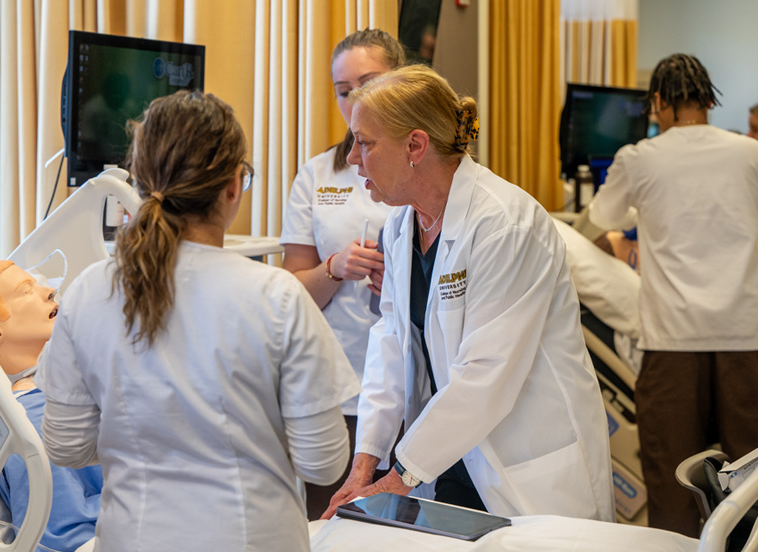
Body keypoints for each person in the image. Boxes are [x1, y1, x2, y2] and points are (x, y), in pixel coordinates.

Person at [35, 90, 360, 552]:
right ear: (232, 186)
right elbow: (323, 463)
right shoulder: (276, 296)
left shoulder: (88, 291)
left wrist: (144, 443)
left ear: (142, 181)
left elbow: (65, 446)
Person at [322, 64, 615, 522]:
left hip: (521, 466)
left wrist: (395, 478)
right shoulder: (401, 226)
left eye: (364, 142)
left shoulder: (506, 223)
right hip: (444, 461)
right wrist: (365, 465)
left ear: (415, 146)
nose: (353, 159)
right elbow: (392, 343)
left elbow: (486, 376)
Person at [588, 53, 758, 537]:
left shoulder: (639, 157)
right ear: (708, 99)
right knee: (753, 472)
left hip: (671, 342)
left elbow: (604, 218)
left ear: (658, 101)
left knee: (674, 478)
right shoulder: (750, 153)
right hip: (746, 339)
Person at [279, 28, 404, 519]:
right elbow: (292, 291)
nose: (355, 98)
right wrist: (334, 268)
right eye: (343, 89)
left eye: (368, 82)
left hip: (408, 385)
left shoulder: (424, 168)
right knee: (327, 523)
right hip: (335, 385)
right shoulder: (317, 175)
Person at [0, 260, 102, 552]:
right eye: (26, 291)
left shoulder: (76, 388)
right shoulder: (30, 418)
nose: (50, 291)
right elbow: (64, 535)